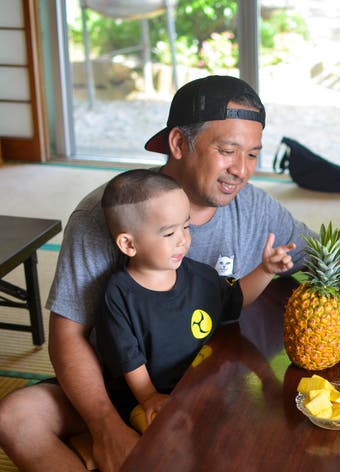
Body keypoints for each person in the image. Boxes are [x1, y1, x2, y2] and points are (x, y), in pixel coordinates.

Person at [0, 75, 314, 472]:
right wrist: (105, 426)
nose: (241, 170)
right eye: (227, 151)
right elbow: (69, 334)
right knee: (15, 418)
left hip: (209, 384)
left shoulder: (255, 209)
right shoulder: (112, 214)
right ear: (179, 143)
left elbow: (315, 254)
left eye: (252, 154)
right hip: (116, 382)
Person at [95, 169, 295, 431]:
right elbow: (128, 358)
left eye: (186, 226)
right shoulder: (119, 295)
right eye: (169, 233)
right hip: (145, 399)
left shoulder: (199, 276)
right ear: (128, 244)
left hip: (200, 388)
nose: (183, 240)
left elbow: (235, 298)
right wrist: (149, 397)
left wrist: (266, 271)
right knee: (163, 436)